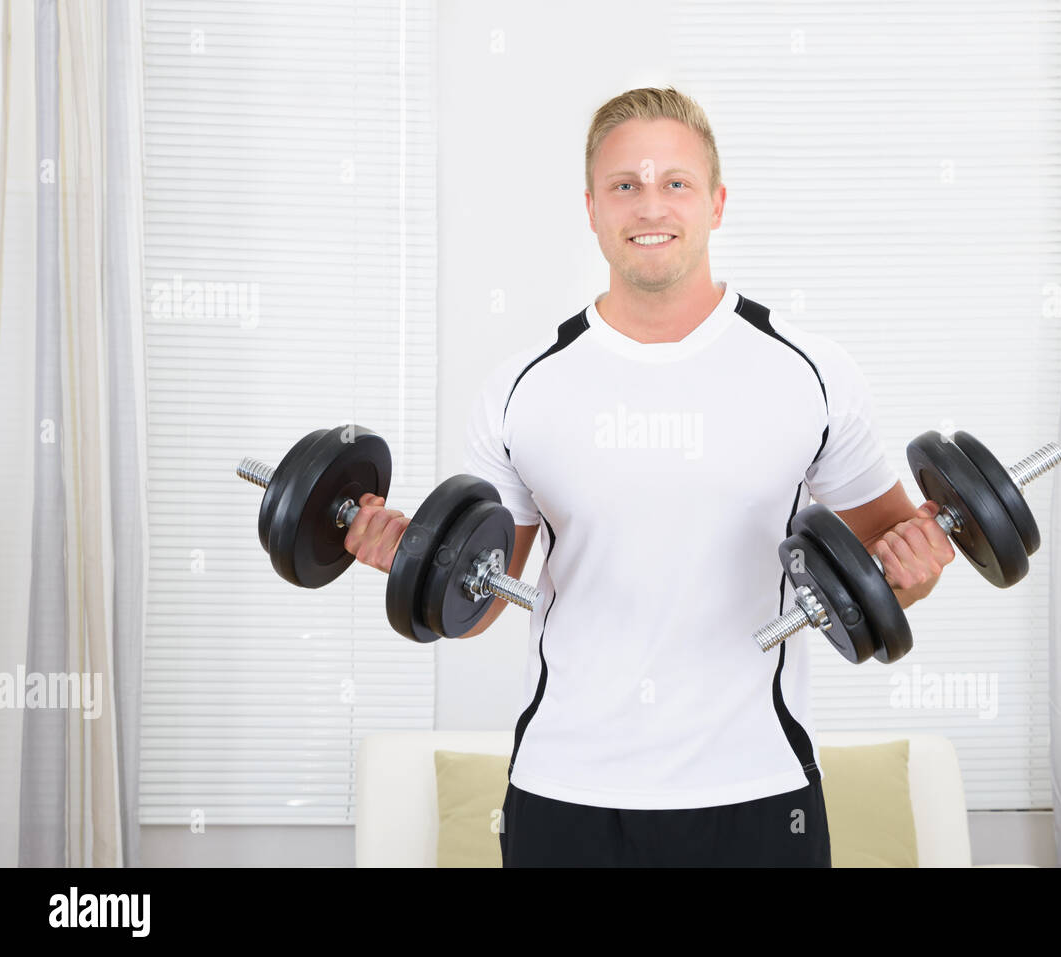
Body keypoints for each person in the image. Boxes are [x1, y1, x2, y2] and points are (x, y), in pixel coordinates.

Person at [344, 87, 956, 867]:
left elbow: (887, 569)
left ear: (717, 203)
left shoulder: (810, 372)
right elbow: (482, 595)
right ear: (593, 208)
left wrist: (916, 568)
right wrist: (406, 554)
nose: (649, 205)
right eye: (624, 184)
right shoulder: (523, 387)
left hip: (758, 786)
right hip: (566, 789)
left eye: (675, 182)